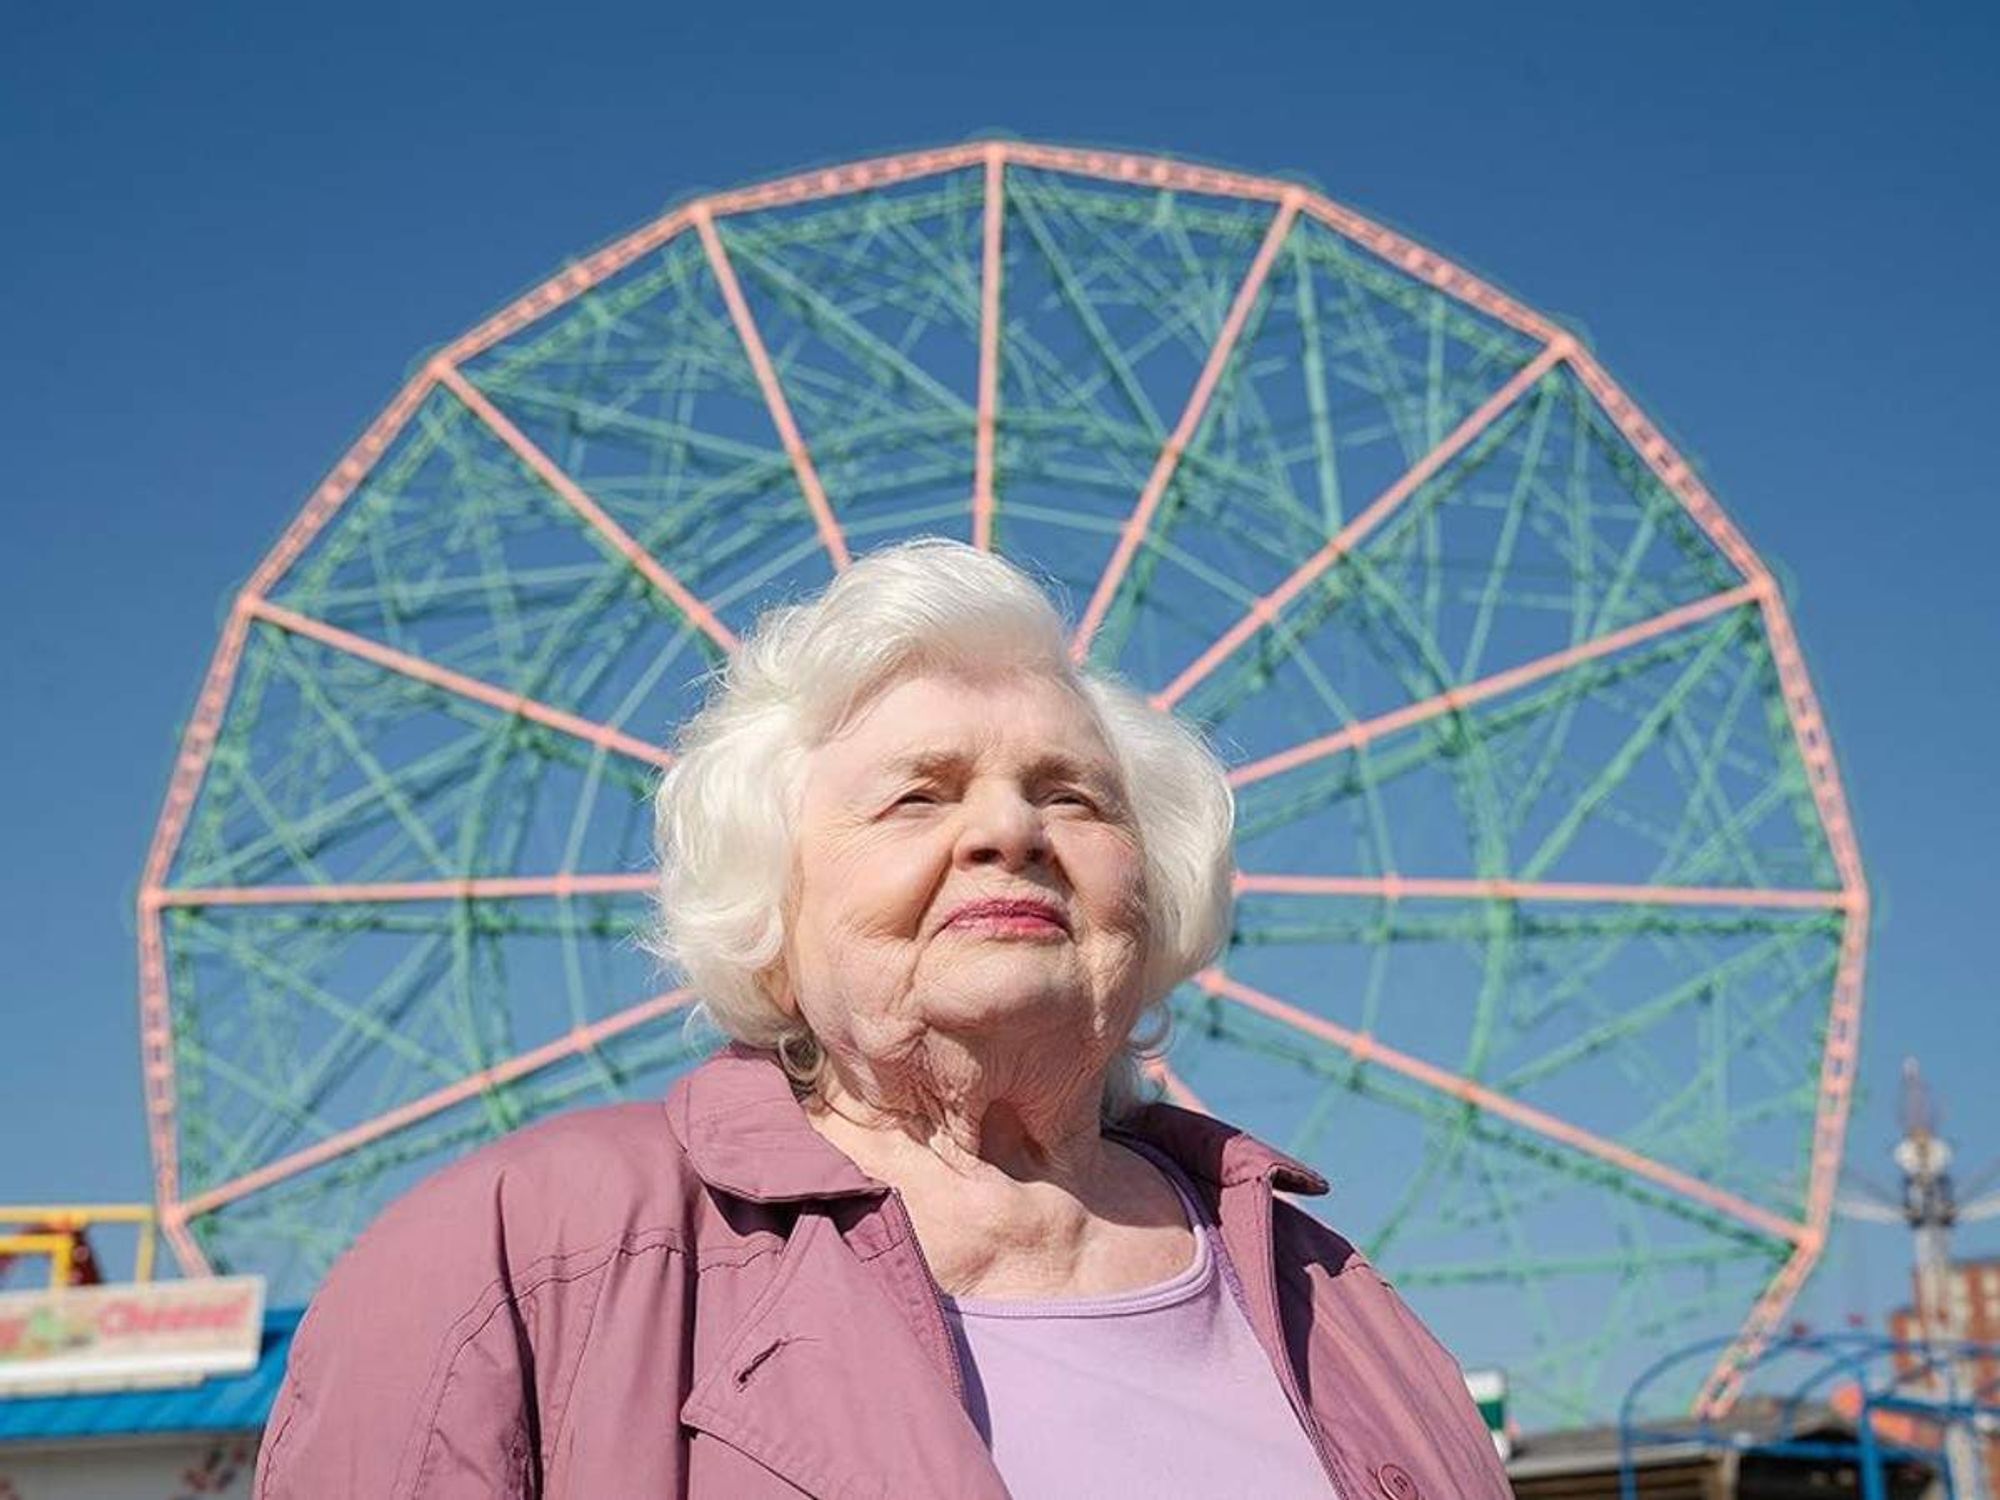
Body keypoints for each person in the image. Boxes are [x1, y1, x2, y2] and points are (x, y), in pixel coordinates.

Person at [253, 540, 1510, 1499]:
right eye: (918, 796)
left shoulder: (1340, 1306)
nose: (1006, 833)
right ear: (771, 903)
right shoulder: (522, 1262)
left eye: (1072, 796)